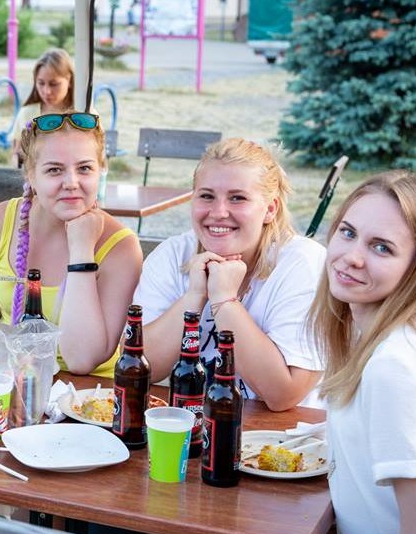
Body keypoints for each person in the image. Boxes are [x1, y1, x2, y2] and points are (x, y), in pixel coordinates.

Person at [310, 172, 416, 534]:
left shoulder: (393, 367)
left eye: (382, 247)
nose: (352, 257)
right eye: (348, 232)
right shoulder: (393, 338)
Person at [133, 138, 326, 411]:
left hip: (282, 441)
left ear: (270, 209)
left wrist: (224, 301)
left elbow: (284, 394)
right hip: (197, 429)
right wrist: (195, 296)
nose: (218, 212)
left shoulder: (303, 264)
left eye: (238, 198)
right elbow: (142, 370)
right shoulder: (173, 255)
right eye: (206, 196)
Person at [0, 111, 142, 377]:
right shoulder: (0, 222)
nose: (71, 183)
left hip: (88, 399)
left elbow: (82, 360)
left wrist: (82, 250)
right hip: (12, 387)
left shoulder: (122, 247)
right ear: (31, 176)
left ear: (101, 170)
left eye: (84, 168)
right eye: (54, 170)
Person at [12, 49, 77, 166]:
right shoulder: (26, 113)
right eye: (41, 83)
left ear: (70, 80)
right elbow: (16, 154)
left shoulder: (83, 115)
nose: (46, 91)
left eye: (54, 84)